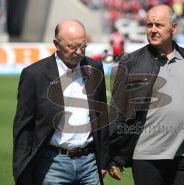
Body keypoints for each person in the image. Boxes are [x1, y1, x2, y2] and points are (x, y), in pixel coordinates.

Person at [109, 5, 184, 185]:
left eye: (159, 25)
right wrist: (112, 155)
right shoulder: (129, 63)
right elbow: (117, 113)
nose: (153, 30)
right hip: (145, 158)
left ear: (174, 27)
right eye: (149, 25)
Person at [13, 19, 116, 185]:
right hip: (52, 164)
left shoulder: (95, 68)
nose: (78, 52)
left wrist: (105, 160)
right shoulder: (34, 75)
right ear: (56, 44)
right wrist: (21, 172)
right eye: (72, 47)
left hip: (89, 164)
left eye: (83, 46)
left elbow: (101, 117)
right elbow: (23, 128)